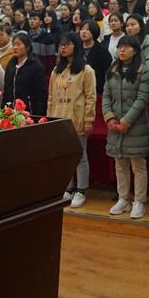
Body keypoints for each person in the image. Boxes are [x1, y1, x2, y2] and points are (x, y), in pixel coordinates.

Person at [103, 35, 149, 220]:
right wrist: (109, 117)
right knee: (120, 164)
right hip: (115, 126)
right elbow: (106, 96)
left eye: (126, 47)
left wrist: (126, 121)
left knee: (138, 165)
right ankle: (123, 198)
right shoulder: (112, 69)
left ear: (135, 50)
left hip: (135, 126)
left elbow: (142, 100)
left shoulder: (144, 71)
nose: (122, 50)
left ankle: (139, 201)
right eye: (119, 47)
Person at [49, 32, 97, 209]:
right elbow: (51, 97)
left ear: (76, 46)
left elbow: (90, 97)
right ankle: (68, 187)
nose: (63, 47)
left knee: (80, 155)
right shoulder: (56, 70)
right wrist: (49, 118)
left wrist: (89, 120)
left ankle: (81, 190)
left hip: (77, 119)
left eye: (67, 44)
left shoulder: (86, 70)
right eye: (61, 44)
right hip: (59, 118)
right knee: (65, 155)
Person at [2, 32, 47, 115]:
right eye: (14, 45)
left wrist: (38, 114)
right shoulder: (11, 65)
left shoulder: (36, 66)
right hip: (10, 111)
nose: (15, 47)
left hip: (29, 111)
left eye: (18, 44)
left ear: (27, 47)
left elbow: (41, 93)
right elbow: (6, 90)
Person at [79, 21, 111, 97]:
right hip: (78, 91)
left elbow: (107, 74)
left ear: (94, 31)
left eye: (87, 29)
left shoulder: (102, 51)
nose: (83, 32)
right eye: (82, 29)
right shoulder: (76, 49)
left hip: (97, 91)